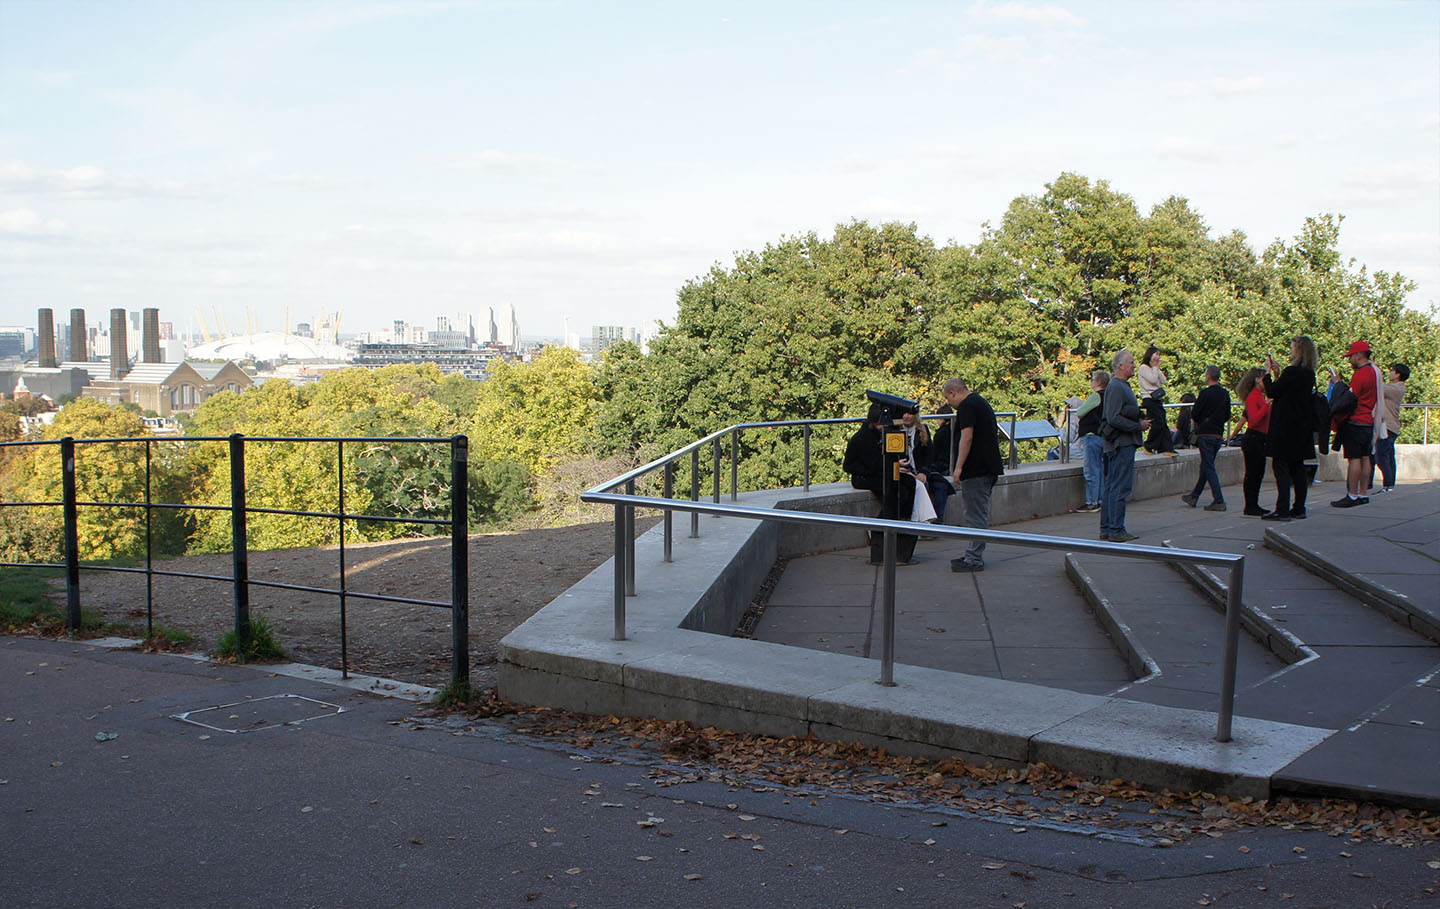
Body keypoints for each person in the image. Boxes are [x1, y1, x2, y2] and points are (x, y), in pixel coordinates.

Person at [844, 403, 919, 564]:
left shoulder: (879, 435)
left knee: (909, 483)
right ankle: (882, 524)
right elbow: (859, 465)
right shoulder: (862, 439)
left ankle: (904, 518)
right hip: (864, 477)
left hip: (879, 472)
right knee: (894, 490)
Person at [944, 378, 1004, 573]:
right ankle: (973, 553)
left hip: (976, 469)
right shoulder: (980, 401)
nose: (949, 404)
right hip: (988, 467)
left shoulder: (967, 406)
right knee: (978, 512)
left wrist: (958, 467)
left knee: (975, 514)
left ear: (953, 393)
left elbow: (966, 437)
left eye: (948, 398)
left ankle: (974, 558)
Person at [1262, 336, 1318, 521]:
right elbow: (1286, 390)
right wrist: (1279, 376)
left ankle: (1282, 508)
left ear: (1299, 351)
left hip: (1285, 425)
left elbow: (1272, 392)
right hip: (1301, 426)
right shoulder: (1309, 374)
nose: (1291, 351)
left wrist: (1268, 374)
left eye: (1293, 348)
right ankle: (1299, 507)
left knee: (1281, 467)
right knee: (1297, 468)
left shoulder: (1292, 371)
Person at [1331, 340, 1390, 508]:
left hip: (1356, 421)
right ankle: (1363, 493)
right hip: (1369, 421)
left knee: (1354, 459)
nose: (1349, 360)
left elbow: (1351, 398)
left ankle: (1352, 494)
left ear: (1359, 355)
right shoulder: (1374, 372)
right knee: (1366, 458)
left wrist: (1337, 385)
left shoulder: (1361, 375)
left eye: (1351, 356)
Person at [1099, 350, 1150, 543]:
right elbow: (1113, 417)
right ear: (1120, 366)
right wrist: (1138, 426)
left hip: (1119, 443)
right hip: (1121, 443)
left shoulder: (1117, 386)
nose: (1133, 365)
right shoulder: (1117, 387)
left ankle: (1108, 528)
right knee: (1120, 486)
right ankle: (1115, 528)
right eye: (1130, 362)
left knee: (1112, 486)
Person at [1180, 365, 1230, 511]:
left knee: (1208, 466)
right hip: (1218, 434)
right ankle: (1194, 496)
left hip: (1205, 434)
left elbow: (1195, 414)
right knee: (1206, 466)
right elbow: (1227, 415)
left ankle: (1219, 500)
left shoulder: (1205, 393)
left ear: (1208, 376)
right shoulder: (1225, 394)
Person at [1235, 366, 1271, 516]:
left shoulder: (1259, 396)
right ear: (1257, 380)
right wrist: (1267, 405)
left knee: (1258, 472)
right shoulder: (1253, 397)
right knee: (1253, 472)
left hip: (1259, 437)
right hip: (1254, 437)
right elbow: (1254, 420)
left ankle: (1253, 503)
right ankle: (1250, 505)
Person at [1074, 370, 1109, 514]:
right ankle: (1100, 500)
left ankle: (1091, 502)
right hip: (1102, 436)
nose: (1091, 381)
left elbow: (1081, 412)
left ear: (1098, 382)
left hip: (1092, 436)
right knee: (1100, 469)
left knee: (1091, 470)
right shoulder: (1109, 395)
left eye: (1092, 379)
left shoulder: (1096, 396)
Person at [1372, 363, 1408, 494]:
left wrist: (1374, 371)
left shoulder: (1395, 389)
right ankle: (1390, 484)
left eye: (1393, 371)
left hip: (1387, 425)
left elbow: (1377, 387)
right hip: (1390, 426)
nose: (1390, 373)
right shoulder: (1396, 388)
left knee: (1381, 456)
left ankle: (1388, 484)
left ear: (1398, 374)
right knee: (1388, 455)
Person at [1137, 346, 1177, 456]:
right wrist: (1155, 367)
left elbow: (1163, 380)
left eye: (1159, 354)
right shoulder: (1143, 368)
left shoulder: (1154, 368)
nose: (1158, 357)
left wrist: (1157, 368)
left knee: (1163, 423)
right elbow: (1153, 380)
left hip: (1157, 398)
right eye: (1156, 354)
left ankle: (1167, 448)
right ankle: (1149, 445)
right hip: (1149, 398)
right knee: (1157, 423)